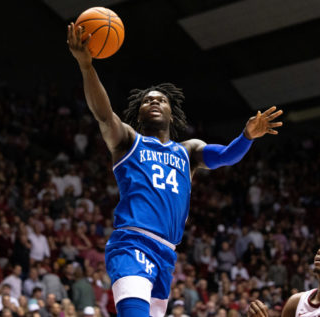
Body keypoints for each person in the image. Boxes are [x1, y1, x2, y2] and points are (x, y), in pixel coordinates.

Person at [67, 22, 283, 317]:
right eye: (147, 100)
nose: (154, 101)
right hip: (131, 243)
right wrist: (86, 66)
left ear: (171, 111)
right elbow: (104, 115)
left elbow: (226, 157)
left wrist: (246, 137)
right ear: (140, 113)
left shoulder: (189, 151)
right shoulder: (128, 140)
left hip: (166, 253)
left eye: (161, 99)